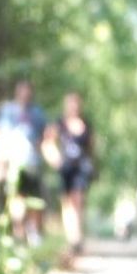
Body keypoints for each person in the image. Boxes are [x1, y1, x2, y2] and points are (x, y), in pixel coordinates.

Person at [0, 80, 47, 245]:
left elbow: (44, 138)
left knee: (35, 200)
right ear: (17, 92)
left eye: (28, 91)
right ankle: (19, 233)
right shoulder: (7, 111)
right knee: (16, 198)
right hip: (13, 163)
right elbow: (0, 136)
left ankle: (34, 234)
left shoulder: (37, 113)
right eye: (22, 91)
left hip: (32, 163)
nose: (25, 95)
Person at [44, 92, 94, 254]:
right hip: (65, 169)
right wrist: (55, 160)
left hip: (80, 168)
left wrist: (91, 164)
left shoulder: (86, 124)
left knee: (78, 200)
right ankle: (71, 238)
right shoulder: (59, 123)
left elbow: (92, 147)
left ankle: (77, 237)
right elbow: (48, 142)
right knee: (67, 203)